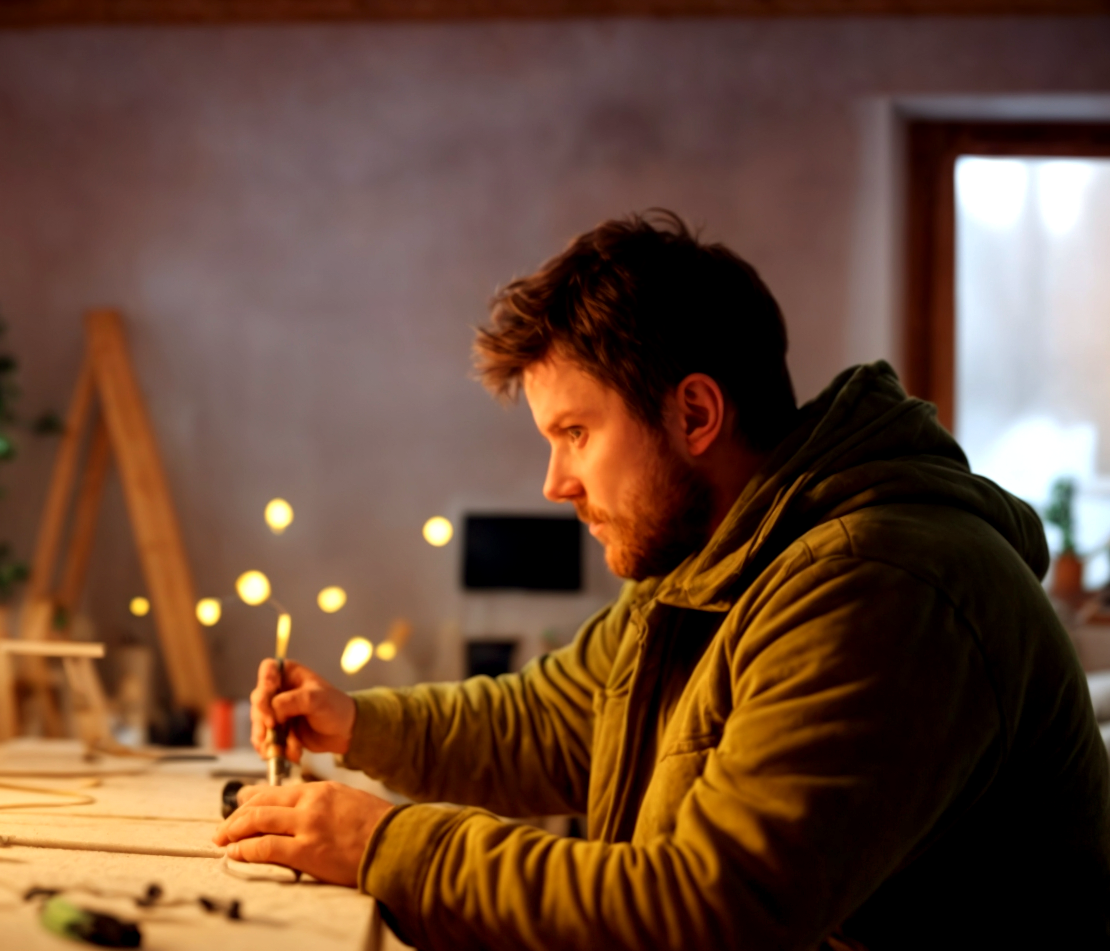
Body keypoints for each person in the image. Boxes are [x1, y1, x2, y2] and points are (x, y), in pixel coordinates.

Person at [213, 211, 1110, 949]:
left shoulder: (876, 586)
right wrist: (357, 722)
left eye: (576, 433)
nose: (556, 483)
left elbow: (710, 911)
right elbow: (554, 721)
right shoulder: (710, 561)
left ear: (694, 412)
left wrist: (385, 843)